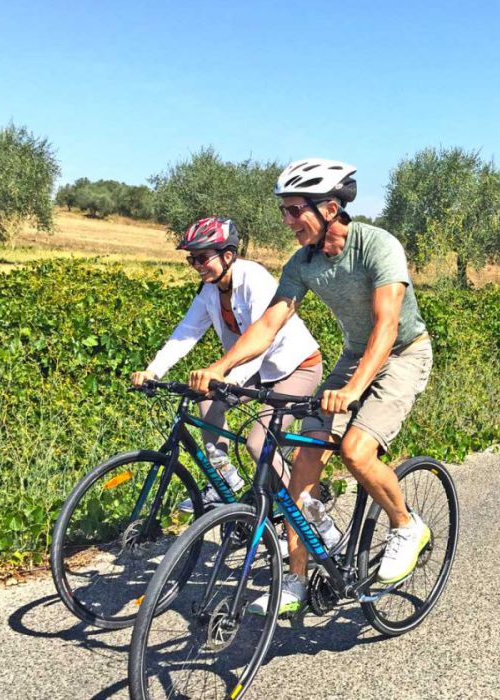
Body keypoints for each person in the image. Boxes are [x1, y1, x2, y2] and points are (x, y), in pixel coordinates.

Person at [188, 159, 433, 616]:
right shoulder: (302, 263)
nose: (287, 221)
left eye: (294, 209)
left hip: (402, 354)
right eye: (284, 210)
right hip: (355, 356)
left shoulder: (377, 246)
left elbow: (387, 325)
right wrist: (221, 367)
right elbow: (270, 322)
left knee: (357, 451)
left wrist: (355, 388)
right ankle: (296, 580)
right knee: (301, 467)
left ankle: (406, 525)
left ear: (331, 208)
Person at [131, 217, 324, 510]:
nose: (197, 265)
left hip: (296, 366)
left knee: (258, 444)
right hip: (257, 368)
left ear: (228, 255)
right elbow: (186, 332)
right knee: (206, 403)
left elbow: (262, 339)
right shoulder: (209, 289)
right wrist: (153, 370)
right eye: (192, 259)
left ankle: (303, 517)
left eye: (202, 257)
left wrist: (227, 377)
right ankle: (224, 480)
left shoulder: (254, 279)